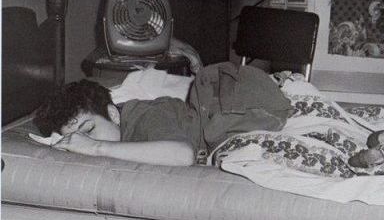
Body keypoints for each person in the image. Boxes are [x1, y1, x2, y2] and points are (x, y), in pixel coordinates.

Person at [34, 63, 292, 167]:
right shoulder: (125, 127)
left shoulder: (145, 116)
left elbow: (182, 154)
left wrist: (96, 147)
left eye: (89, 130)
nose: (85, 142)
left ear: (113, 114)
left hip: (246, 109)